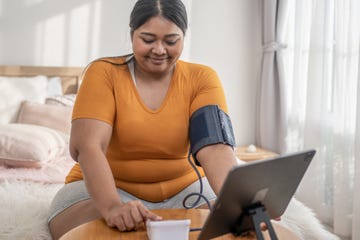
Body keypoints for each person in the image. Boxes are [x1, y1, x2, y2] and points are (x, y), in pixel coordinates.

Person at [48, 0, 299, 239]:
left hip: (185, 191)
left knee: (247, 230)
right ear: (132, 33)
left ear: (183, 36)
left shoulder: (202, 78)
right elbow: (89, 147)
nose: (159, 50)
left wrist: (239, 204)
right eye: (147, 39)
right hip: (104, 191)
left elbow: (215, 149)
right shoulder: (103, 73)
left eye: (171, 40)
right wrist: (113, 207)